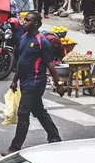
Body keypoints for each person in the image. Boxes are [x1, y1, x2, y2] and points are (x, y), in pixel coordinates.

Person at [6, 11, 64, 154]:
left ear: (36, 23)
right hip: (24, 81)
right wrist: (14, 80)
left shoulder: (42, 42)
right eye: (24, 20)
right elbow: (21, 61)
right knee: (38, 110)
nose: (24, 22)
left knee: (23, 113)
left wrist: (58, 84)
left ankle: (15, 147)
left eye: (28, 20)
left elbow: (50, 65)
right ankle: (54, 136)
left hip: (36, 82)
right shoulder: (24, 38)